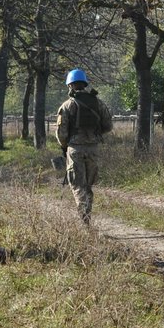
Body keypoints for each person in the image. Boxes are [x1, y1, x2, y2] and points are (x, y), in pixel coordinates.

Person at [54, 68, 111, 224]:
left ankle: (84, 222)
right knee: (88, 186)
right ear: (85, 84)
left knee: (78, 186)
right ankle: (87, 217)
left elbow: (62, 134)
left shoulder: (67, 106)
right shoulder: (98, 103)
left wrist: (65, 146)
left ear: (70, 85)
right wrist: (93, 135)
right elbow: (108, 126)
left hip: (75, 150)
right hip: (93, 149)